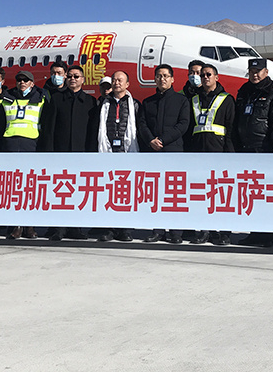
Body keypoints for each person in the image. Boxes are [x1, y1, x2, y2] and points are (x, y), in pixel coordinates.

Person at [41, 64, 96, 240]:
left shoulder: (90, 102)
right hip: (60, 152)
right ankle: (58, 228)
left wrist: (91, 153)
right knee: (59, 190)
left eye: (76, 76)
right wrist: (49, 152)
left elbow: (93, 132)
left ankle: (76, 228)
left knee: (78, 190)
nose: (73, 79)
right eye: (70, 76)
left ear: (83, 80)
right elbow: (49, 129)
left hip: (81, 153)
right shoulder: (57, 99)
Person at [235, 58, 273, 247]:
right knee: (251, 193)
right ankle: (254, 232)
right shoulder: (244, 91)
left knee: (267, 194)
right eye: (251, 71)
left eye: (258, 71)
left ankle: (268, 235)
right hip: (246, 149)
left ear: (266, 72)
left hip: (265, 149)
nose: (254, 75)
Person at [137, 64, 190, 243]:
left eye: (166, 76)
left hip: (173, 151)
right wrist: (151, 140)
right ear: (155, 79)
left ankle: (176, 232)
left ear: (172, 79)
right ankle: (157, 230)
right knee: (156, 192)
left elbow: (183, 124)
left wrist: (163, 140)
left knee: (174, 191)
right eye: (159, 76)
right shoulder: (148, 102)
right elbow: (142, 124)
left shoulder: (181, 101)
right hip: (153, 152)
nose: (162, 79)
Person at [186, 64, 235, 245]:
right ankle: (204, 230)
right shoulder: (194, 99)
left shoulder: (226, 99)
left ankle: (224, 232)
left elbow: (231, 129)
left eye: (208, 74)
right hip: (198, 153)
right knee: (202, 194)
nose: (205, 77)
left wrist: (229, 154)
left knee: (222, 194)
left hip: (219, 153)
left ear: (216, 77)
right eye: (202, 75)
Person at [1, 70, 47, 239]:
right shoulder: (7, 99)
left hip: (31, 146)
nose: (22, 83)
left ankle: (30, 226)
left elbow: (44, 125)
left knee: (30, 188)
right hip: (11, 146)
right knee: (13, 187)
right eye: (19, 80)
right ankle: (15, 226)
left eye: (26, 80)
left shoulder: (41, 100)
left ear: (32, 83)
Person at [95, 70, 138, 242]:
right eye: (114, 80)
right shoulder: (103, 103)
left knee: (126, 191)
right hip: (108, 152)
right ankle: (109, 228)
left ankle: (125, 229)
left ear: (127, 84)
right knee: (108, 192)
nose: (116, 83)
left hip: (126, 153)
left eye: (120, 80)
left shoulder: (134, 104)